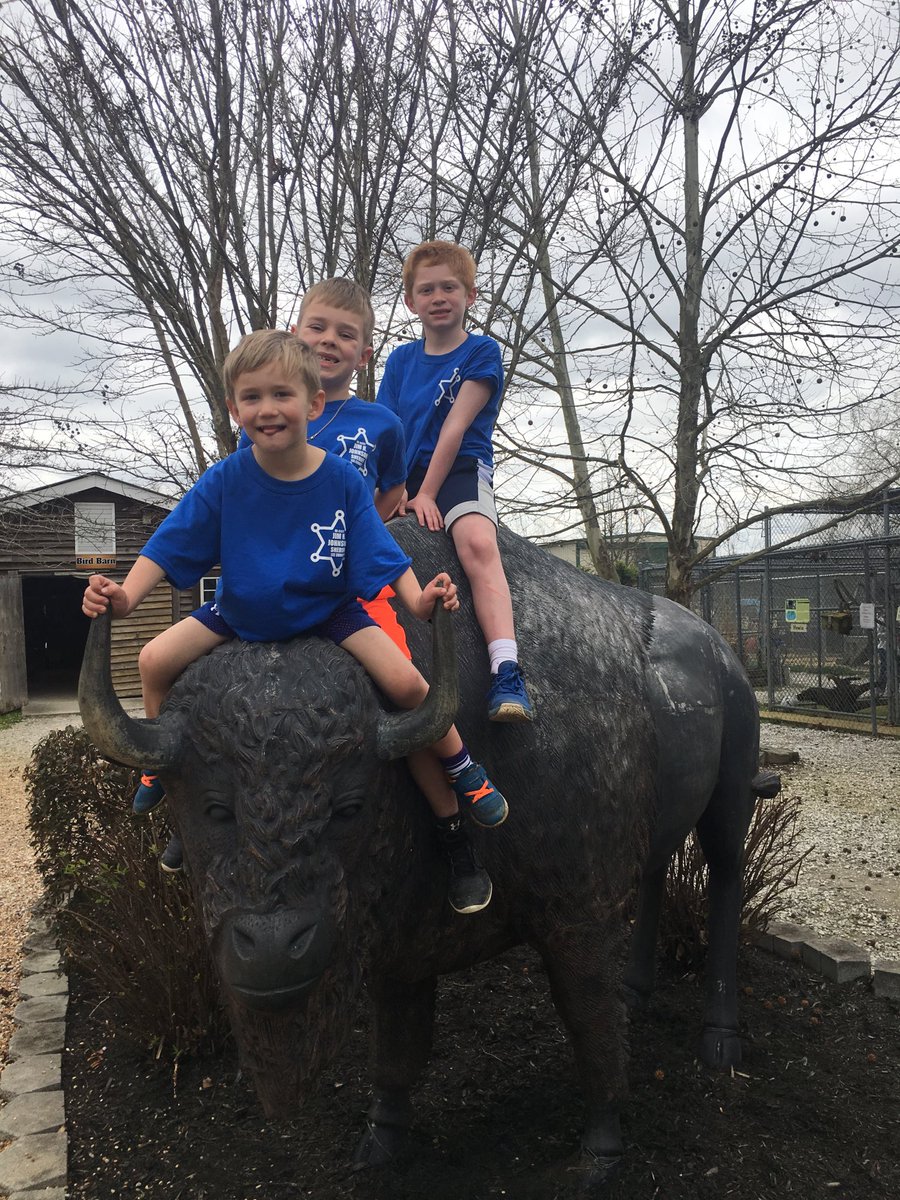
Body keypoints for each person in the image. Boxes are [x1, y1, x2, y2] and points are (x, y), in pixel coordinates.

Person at [82, 329, 505, 914]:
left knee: (408, 684)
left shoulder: (340, 481)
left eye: (281, 395)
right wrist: (125, 597)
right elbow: (170, 542)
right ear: (234, 409)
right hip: (240, 612)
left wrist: (418, 599)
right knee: (152, 660)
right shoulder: (225, 479)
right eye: (250, 398)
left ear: (312, 404)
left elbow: (379, 551)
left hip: (328, 611)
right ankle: (163, 766)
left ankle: (463, 771)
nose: (266, 409)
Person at [377, 240, 534, 722]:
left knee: (477, 545)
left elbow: (455, 427)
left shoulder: (482, 352)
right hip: (404, 473)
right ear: (410, 301)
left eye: (450, 286)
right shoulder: (401, 361)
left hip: (461, 469)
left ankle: (507, 672)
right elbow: (387, 427)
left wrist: (424, 494)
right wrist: (393, 489)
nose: (438, 296)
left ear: (471, 295)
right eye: (427, 289)